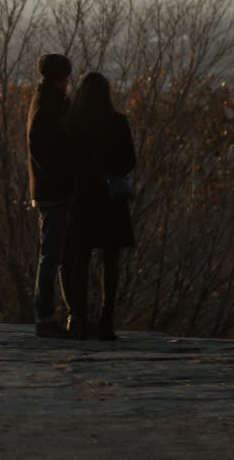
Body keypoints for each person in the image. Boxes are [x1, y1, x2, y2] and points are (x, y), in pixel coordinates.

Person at [62, 72, 137, 341]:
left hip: (83, 198)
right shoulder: (117, 122)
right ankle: (107, 319)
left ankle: (79, 319)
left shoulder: (72, 124)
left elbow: (65, 162)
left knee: (80, 259)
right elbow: (129, 161)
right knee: (111, 261)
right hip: (111, 199)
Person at [27, 53, 76, 338]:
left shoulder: (42, 101)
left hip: (48, 189)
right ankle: (45, 316)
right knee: (52, 256)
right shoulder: (51, 107)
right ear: (63, 77)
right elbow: (54, 152)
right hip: (55, 190)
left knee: (56, 255)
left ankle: (57, 316)